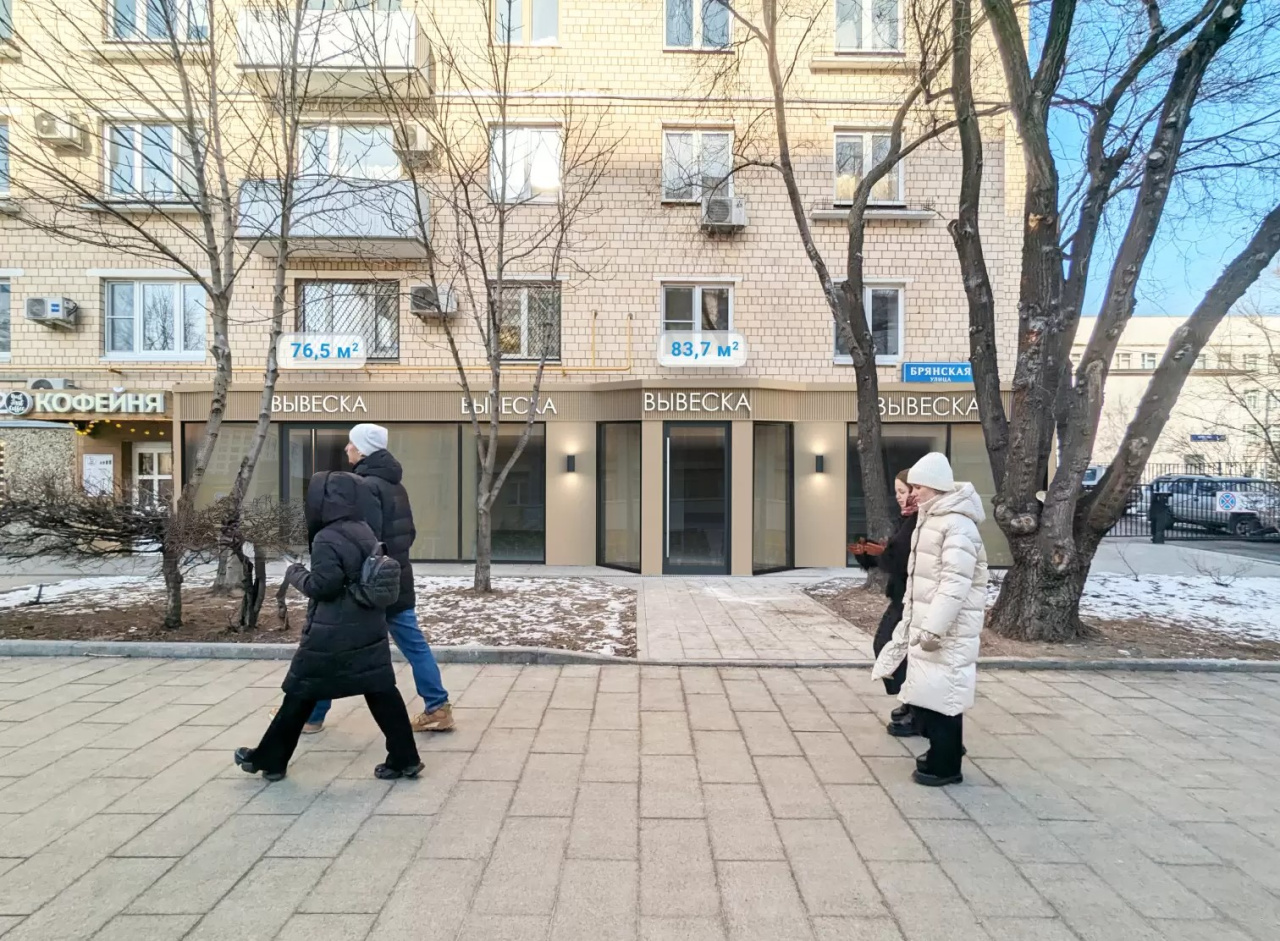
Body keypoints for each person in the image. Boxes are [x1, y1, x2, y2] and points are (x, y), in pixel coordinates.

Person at [236, 471, 423, 781]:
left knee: (300, 691)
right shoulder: (364, 529)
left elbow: (324, 587)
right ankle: (406, 758)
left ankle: (270, 759)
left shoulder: (326, 537)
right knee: (380, 691)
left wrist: (295, 572)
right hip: (367, 625)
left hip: (332, 630)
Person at [297, 423, 454, 734]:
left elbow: (364, 538)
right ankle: (438, 707)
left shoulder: (364, 486)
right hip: (397, 577)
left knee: (332, 643)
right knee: (414, 645)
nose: (347, 448)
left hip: (370, 585)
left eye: (351, 444)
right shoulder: (395, 484)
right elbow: (408, 534)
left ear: (363, 449)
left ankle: (312, 715)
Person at [872, 452, 987, 787]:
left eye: (918, 487)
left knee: (944, 693)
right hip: (929, 622)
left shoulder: (956, 525)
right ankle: (943, 750)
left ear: (934, 486)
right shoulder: (933, 518)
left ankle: (945, 764)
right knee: (933, 689)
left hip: (946, 628)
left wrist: (934, 627)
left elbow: (954, 584)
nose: (913, 493)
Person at [852, 470, 919, 737]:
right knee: (891, 648)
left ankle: (916, 708)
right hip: (903, 596)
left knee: (891, 647)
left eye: (903, 492)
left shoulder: (919, 522)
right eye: (897, 492)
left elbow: (899, 560)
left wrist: (880, 553)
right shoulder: (908, 520)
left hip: (913, 599)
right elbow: (892, 557)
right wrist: (868, 554)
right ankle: (910, 702)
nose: (899, 498)